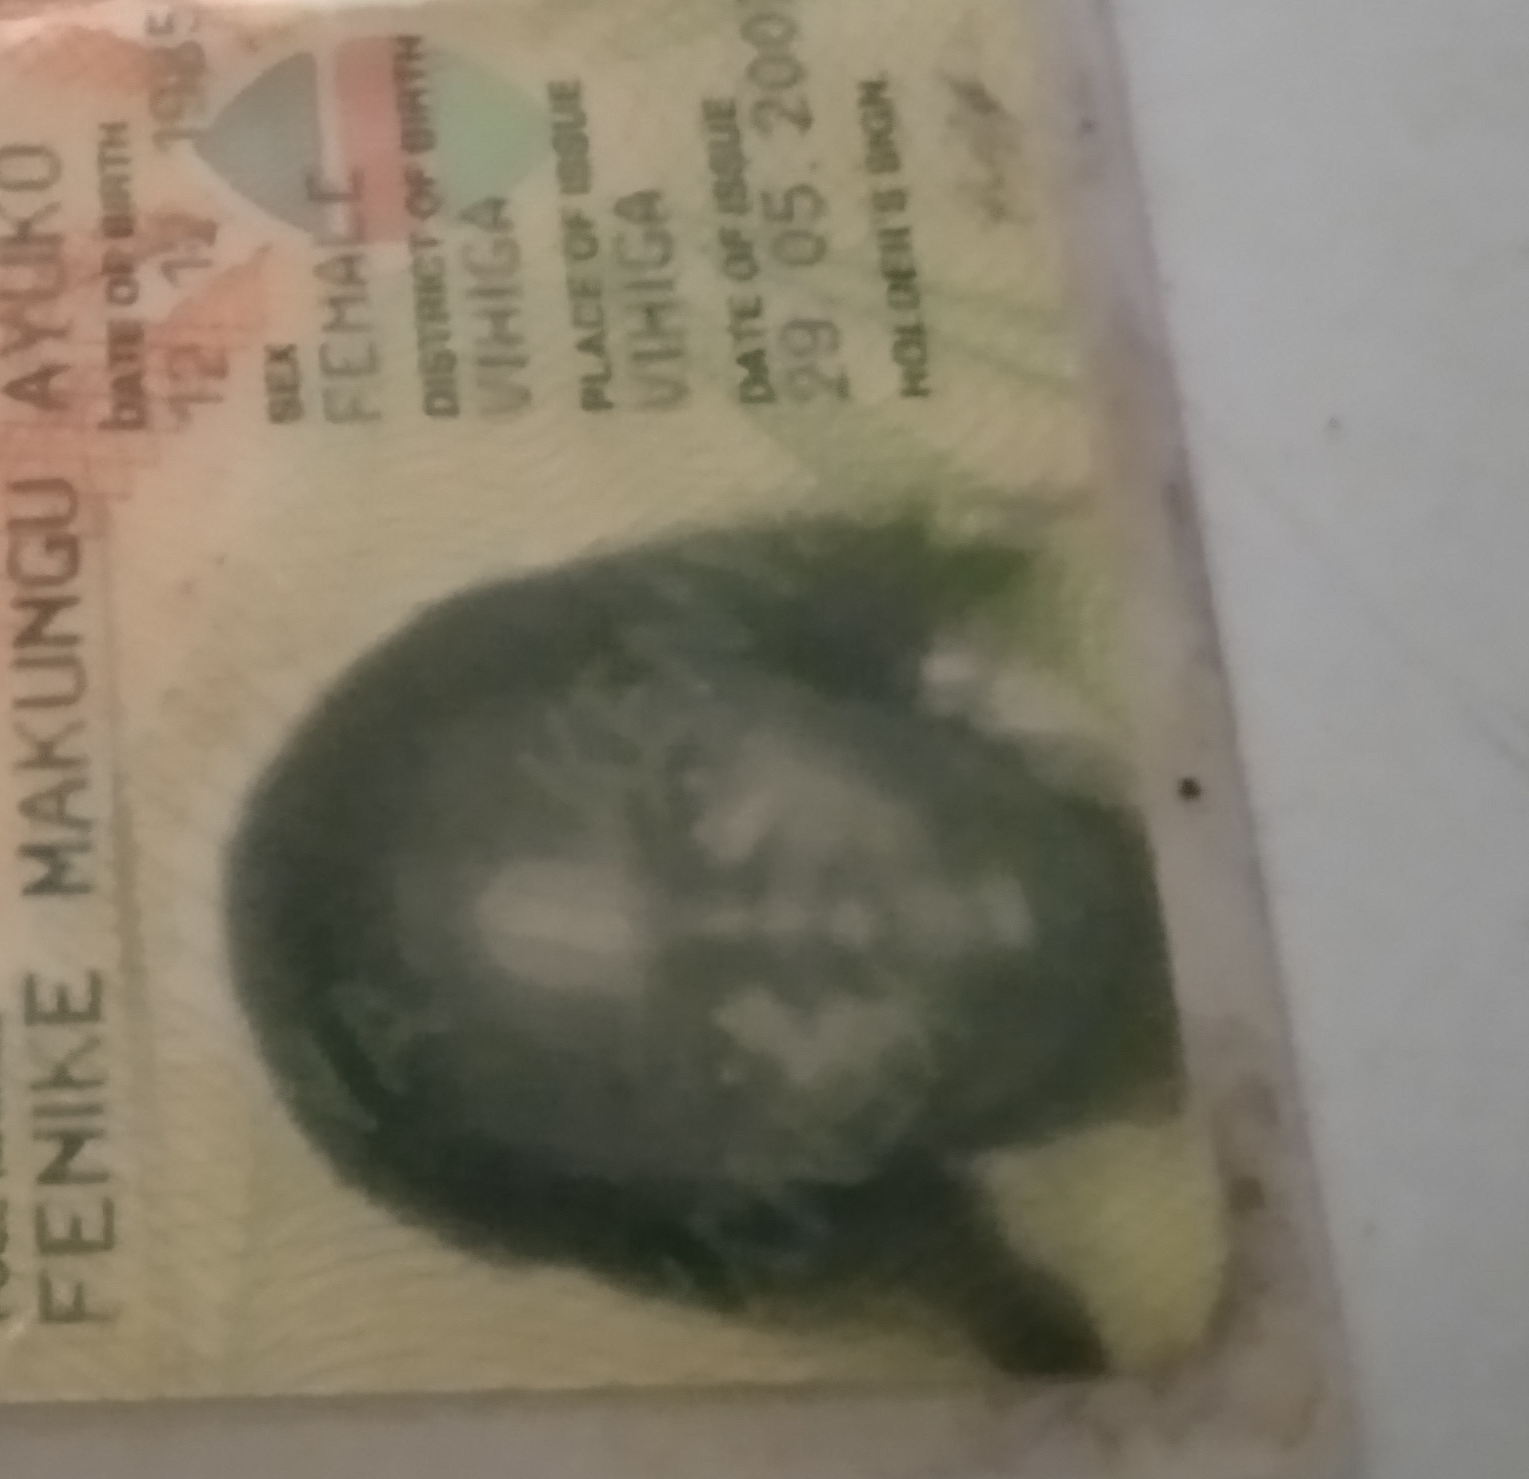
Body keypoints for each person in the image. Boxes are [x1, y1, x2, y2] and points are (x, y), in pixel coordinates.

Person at [224, 518, 1185, 1375]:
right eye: (704, 1059)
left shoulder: (1155, 575)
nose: (765, 931)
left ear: (754, 663)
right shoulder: (1170, 1337)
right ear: (770, 1194)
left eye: (683, 807)